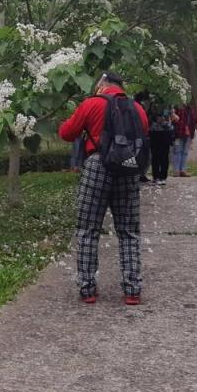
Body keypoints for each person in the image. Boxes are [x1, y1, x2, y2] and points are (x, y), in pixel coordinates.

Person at [59, 72, 149, 306]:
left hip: (97, 165)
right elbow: (144, 134)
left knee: (88, 229)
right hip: (128, 169)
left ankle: (87, 288)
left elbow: (67, 133)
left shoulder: (92, 103)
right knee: (128, 231)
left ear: (102, 85)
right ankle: (132, 289)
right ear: (122, 86)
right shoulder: (137, 109)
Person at [172, 102, 197, 177]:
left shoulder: (190, 110)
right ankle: (176, 171)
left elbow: (195, 121)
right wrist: (173, 114)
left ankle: (183, 170)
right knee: (177, 151)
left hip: (188, 134)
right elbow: (173, 119)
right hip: (178, 134)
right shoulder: (177, 107)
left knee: (185, 152)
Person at [147, 102, 177, 185]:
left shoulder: (167, 103)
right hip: (157, 131)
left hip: (162, 132)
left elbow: (173, 116)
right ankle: (158, 177)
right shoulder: (153, 103)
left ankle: (160, 177)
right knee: (158, 155)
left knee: (161, 155)